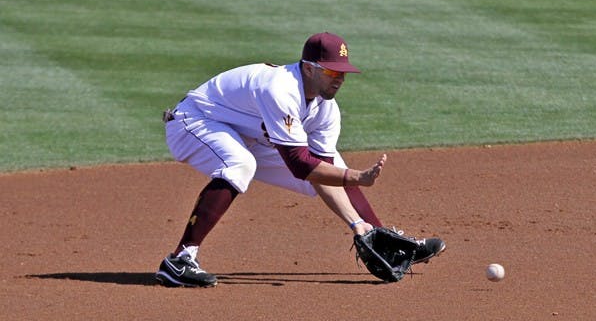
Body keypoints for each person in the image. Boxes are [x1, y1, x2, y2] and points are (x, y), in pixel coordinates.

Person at [155, 32, 445, 287]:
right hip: (193, 123)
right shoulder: (280, 89)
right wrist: (356, 177)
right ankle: (179, 260)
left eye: (343, 73)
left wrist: (359, 225)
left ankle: (384, 240)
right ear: (308, 68)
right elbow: (299, 165)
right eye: (332, 73)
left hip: (249, 134)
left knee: (332, 172)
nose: (340, 80)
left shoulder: (326, 110)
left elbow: (324, 171)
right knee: (239, 164)